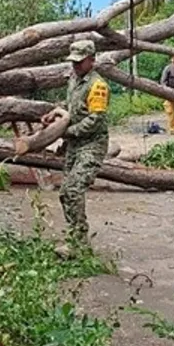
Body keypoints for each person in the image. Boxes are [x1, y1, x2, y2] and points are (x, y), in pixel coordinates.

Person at [44, 39, 110, 255]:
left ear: (92, 60)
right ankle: (75, 237)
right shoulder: (74, 79)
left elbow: (95, 120)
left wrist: (66, 132)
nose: (75, 66)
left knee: (73, 190)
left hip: (92, 145)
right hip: (74, 146)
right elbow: (71, 107)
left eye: (79, 62)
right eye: (73, 62)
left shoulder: (98, 86)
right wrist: (55, 113)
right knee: (65, 193)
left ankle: (79, 244)